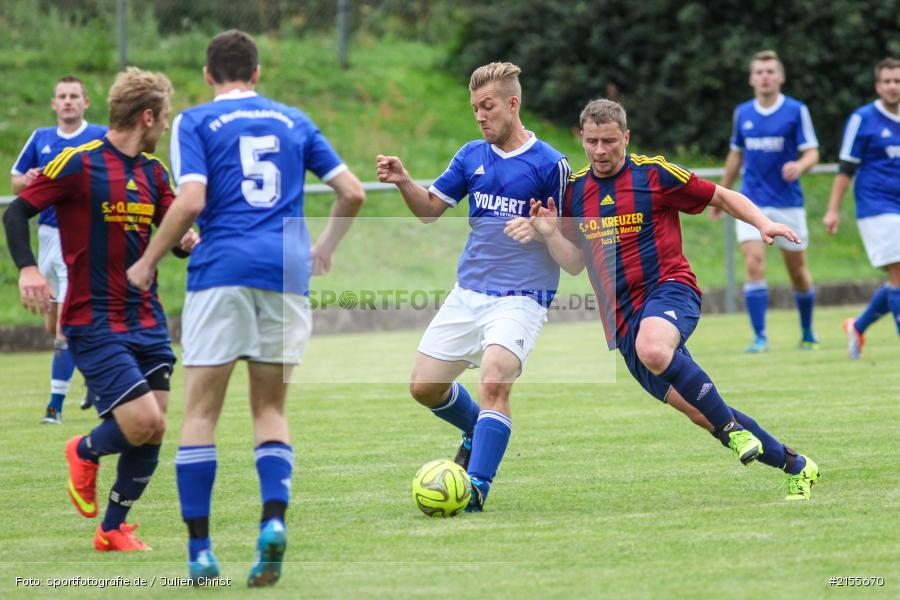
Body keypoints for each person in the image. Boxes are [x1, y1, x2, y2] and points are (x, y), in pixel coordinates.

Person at [127, 30, 364, 586]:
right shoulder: (293, 120)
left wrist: (147, 262)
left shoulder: (193, 122)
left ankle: (202, 553)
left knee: (201, 415)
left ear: (209, 75)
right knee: (270, 411)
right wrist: (323, 251)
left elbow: (191, 199)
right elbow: (351, 191)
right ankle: (272, 523)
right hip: (285, 273)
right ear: (256, 74)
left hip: (222, 272)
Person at [508, 99, 819, 500]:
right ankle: (797, 465)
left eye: (609, 141)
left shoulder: (654, 174)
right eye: (591, 142)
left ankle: (733, 432)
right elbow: (572, 265)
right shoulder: (575, 193)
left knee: (654, 348)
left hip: (669, 288)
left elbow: (721, 196)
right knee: (698, 411)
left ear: (626, 137)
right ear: (580, 139)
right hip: (621, 320)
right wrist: (550, 233)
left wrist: (763, 222)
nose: (600, 151)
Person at [3, 67, 194, 550]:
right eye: (164, 119)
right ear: (146, 117)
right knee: (142, 422)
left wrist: (186, 241)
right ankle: (83, 449)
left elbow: (174, 230)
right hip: (94, 318)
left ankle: (112, 528)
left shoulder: (154, 173)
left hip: (147, 317)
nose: (166, 128)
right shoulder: (77, 163)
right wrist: (29, 269)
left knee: (155, 428)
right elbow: (15, 211)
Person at [376, 62, 570, 513]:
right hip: (469, 293)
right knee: (424, 387)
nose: (480, 116)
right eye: (475, 109)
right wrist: (405, 180)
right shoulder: (470, 156)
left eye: (488, 107)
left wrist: (546, 231)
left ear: (512, 104)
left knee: (494, 381)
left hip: (522, 297)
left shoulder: (551, 164)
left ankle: (476, 487)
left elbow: (574, 257)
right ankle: (473, 429)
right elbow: (428, 210)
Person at [10, 76, 107, 423]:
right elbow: (16, 181)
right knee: (52, 325)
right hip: (47, 237)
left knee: (66, 326)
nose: (68, 101)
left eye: (74, 96)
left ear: (85, 102)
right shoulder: (41, 138)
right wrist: (30, 179)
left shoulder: (99, 137)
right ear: (53, 103)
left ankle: (54, 407)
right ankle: (92, 379)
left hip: (79, 237)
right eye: (62, 96)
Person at [715, 50, 820, 352]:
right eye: (759, 72)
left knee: (797, 271)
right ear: (751, 78)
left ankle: (807, 331)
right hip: (752, 202)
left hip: (788, 203)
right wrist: (721, 194)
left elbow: (812, 151)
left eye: (770, 71)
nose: (765, 77)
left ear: (781, 77)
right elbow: (736, 154)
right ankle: (760, 336)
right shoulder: (743, 113)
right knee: (754, 263)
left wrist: (800, 166)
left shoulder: (796, 110)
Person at [824, 57, 900, 358]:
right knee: (897, 267)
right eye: (887, 81)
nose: (893, 86)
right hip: (877, 206)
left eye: (897, 80)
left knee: (897, 274)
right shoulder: (863, 119)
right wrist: (833, 210)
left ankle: (858, 326)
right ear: (877, 85)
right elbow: (845, 169)